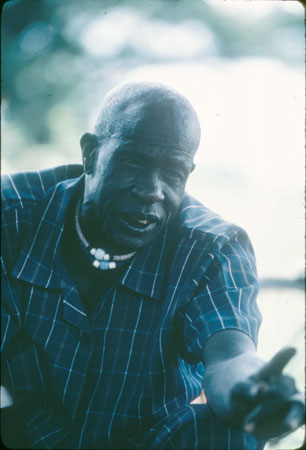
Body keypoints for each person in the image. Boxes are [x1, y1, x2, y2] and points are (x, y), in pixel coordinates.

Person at [1, 82, 304, 450]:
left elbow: (231, 355)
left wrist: (250, 391)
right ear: (91, 154)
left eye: (173, 173)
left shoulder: (212, 248)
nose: (151, 191)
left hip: (150, 442)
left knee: (228, 432)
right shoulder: (11, 217)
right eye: (133, 162)